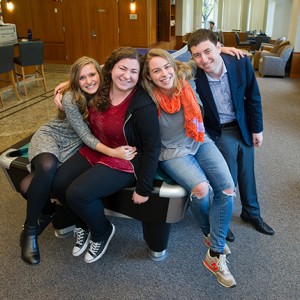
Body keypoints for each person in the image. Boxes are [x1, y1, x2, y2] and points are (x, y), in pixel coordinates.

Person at [19, 56, 136, 265]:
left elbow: (114, 64)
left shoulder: (107, 85)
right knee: (46, 168)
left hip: (77, 146)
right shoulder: (70, 97)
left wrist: (71, 80)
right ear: (76, 81)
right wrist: (112, 152)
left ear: (100, 73)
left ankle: (72, 221)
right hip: (55, 136)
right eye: (82, 78)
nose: (89, 80)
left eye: (92, 75)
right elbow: (85, 135)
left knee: (33, 185)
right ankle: (29, 231)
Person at [51, 47, 161, 264]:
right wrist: (65, 87)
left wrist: (144, 188)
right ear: (111, 69)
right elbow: (85, 75)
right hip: (97, 147)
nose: (126, 76)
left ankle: (102, 232)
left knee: (77, 194)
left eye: (133, 72)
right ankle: (82, 223)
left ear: (140, 76)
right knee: (57, 183)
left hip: (124, 159)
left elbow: (152, 148)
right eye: (122, 68)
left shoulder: (142, 105)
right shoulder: (103, 86)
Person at [141, 48, 236, 288]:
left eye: (166, 66)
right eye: (156, 70)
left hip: (199, 139)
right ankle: (209, 235)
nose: (164, 74)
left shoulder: (185, 76)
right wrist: (70, 82)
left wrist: (220, 48)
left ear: (174, 65)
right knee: (202, 189)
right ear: (148, 76)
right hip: (171, 151)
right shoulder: (144, 94)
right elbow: (113, 75)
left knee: (226, 189)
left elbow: (198, 56)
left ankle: (214, 252)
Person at [187, 29, 274, 241]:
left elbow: (253, 96)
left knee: (247, 172)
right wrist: (214, 50)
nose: (204, 59)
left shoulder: (239, 62)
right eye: (197, 55)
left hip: (242, 125)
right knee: (228, 178)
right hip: (219, 131)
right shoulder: (192, 72)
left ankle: (251, 213)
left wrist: (257, 129)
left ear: (218, 47)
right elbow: (167, 61)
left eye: (208, 51)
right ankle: (222, 220)